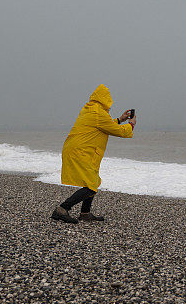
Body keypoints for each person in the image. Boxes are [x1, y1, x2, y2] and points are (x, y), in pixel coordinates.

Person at [52, 84, 136, 223]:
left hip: (79, 150)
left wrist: (120, 119)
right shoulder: (98, 114)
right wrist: (131, 124)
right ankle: (62, 209)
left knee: (93, 181)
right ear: (106, 100)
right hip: (80, 152)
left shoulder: (91, 110)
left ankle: (85, 213)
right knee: (91, 186)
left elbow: (106, 124)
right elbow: (118, 131)